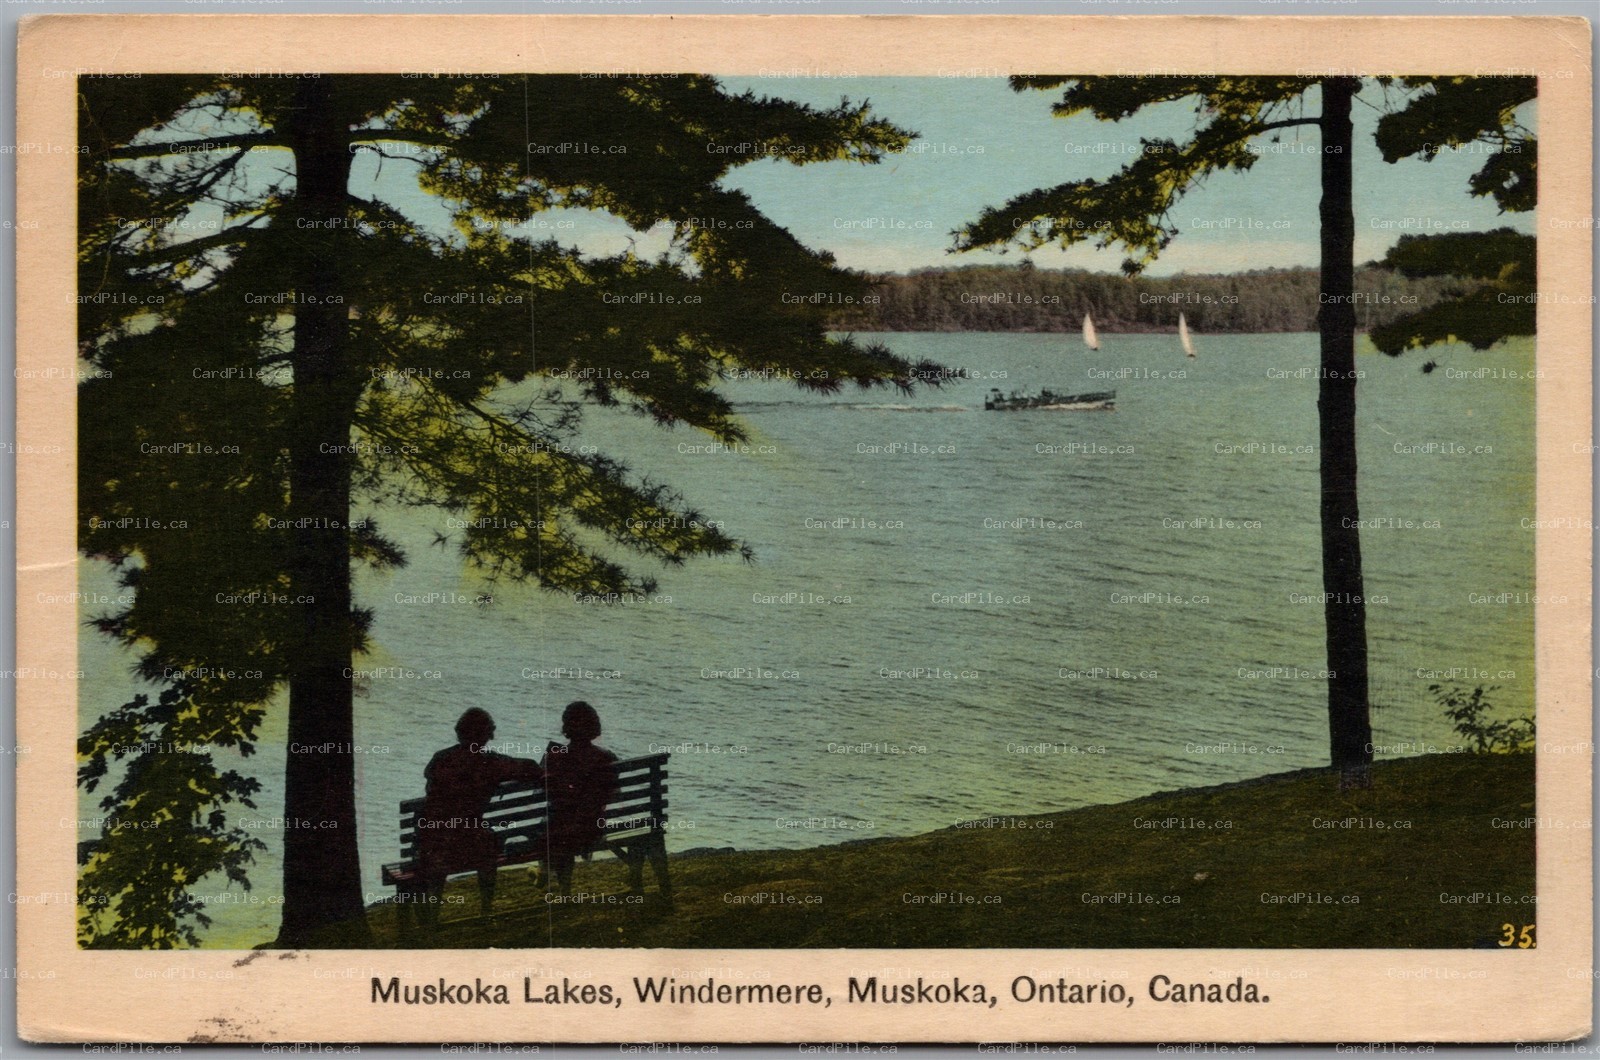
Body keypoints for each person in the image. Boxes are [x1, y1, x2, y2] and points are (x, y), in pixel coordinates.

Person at [415, 708, 542, 926]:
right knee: (487, 844)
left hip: (436, 841)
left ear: (459, 732)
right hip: (472, 842)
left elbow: (431, 788)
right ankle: (485, 910)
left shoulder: (440, 759)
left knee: (437, 855)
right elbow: (531, 768)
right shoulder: (492, 763)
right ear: (488, 735)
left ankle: (432, 918)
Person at [540, 701, 621, 895]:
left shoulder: (554, 756)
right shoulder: (607, 757)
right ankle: (547, 874)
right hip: (593, 828)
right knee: (564, 826)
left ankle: (556, 882)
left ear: (566, 726)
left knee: (552, 825)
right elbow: (615, 794)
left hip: (560, 831)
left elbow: (543, 792)